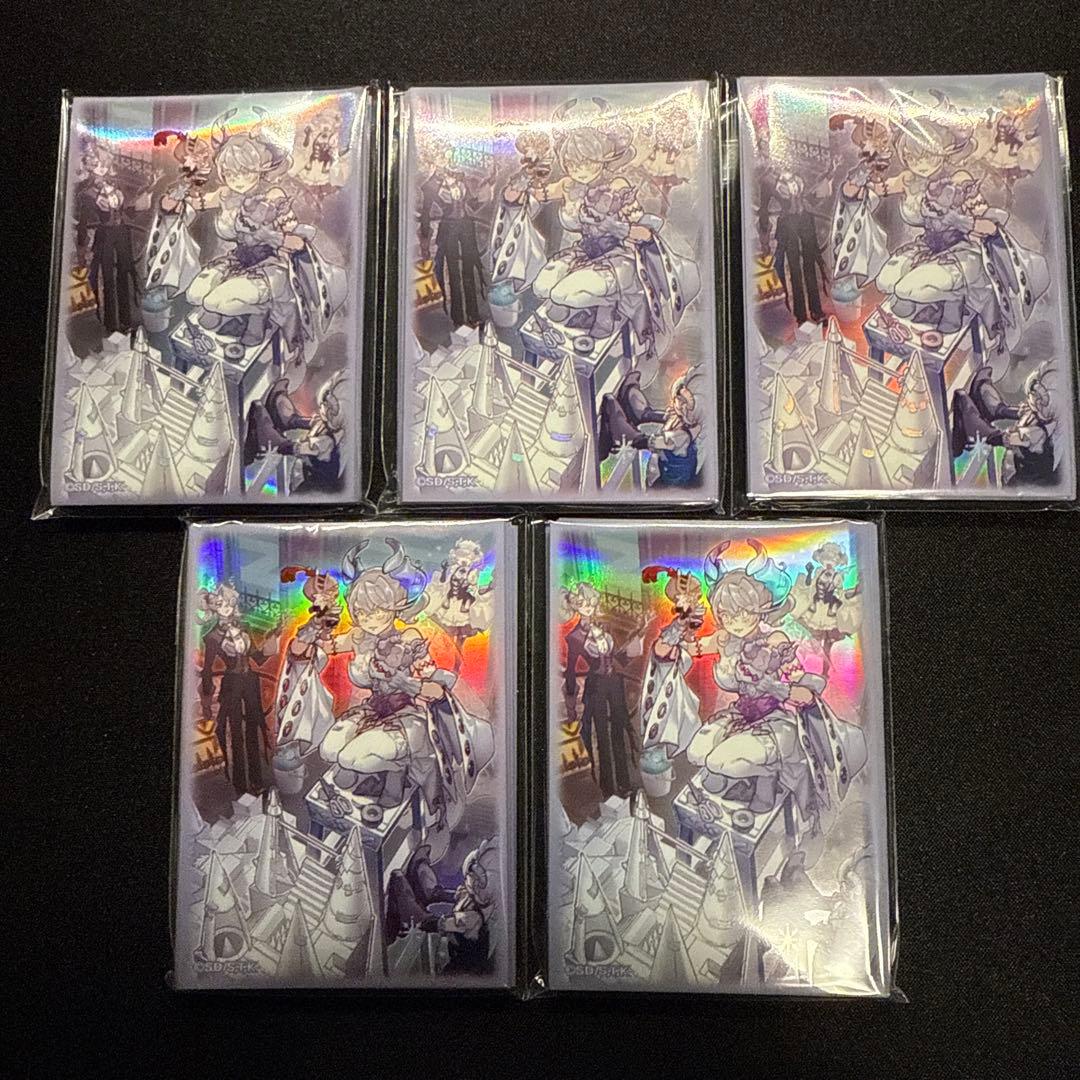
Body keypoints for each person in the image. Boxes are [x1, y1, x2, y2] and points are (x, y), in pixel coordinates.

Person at [198, 582, 282, 797]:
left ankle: (257, 780)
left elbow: (257, 657)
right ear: (214, 607)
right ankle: (240, 785)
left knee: (254, 729)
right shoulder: (212, 637)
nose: (226, 607)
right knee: (235, 733)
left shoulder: (244, 626)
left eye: (229, 602)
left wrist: (274, 635)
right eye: (220, 603)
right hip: (232, 685)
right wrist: (207, 699)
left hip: (250, 682)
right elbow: (207, 669)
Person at [562, 583, 641, 800]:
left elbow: (617, 658)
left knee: (619, 730)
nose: (588, 606)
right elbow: (571, 671)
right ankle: (607, 787)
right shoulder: (575, 637)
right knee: (601, 736)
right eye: (583, 603)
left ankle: (624, 783)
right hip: (595, 686)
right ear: (576, 606)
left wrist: (634, 644)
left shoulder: (605, 626)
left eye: (591, 601)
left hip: (615, 684)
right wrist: (571, 703)